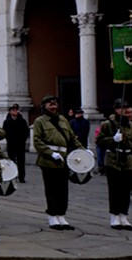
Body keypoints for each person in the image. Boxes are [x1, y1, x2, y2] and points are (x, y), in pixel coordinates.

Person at [33, 94, 82, 231]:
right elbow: (37, 141)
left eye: (55, 103)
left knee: (62, 189)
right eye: (50, 103)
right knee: (52, 189)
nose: (53, 105)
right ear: (45, 106)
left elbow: (72, 138)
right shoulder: (40, 121)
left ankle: (61, 215)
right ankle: (53, 216)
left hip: (64, 159)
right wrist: (50, 153)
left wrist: (84, 151)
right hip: (48, 160)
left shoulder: (63, 120)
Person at [96, 99, 132, 230]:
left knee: (126, 190)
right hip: (114, 159)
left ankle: (124, 216)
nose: (124, 110)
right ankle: (114, 216)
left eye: (126, 107)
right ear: (116, 109)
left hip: (128, 160)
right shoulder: (108, 124)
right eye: (121, 108)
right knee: (115, 189)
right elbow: (100, 141)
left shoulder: (131, 126)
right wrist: (112, 139)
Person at [2, 104, 29, 183]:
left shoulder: (22, 121)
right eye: (13, 110)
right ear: (10, 112)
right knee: (11, 161)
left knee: (21, 161)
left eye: (16, 110)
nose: (15, 111)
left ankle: (22, 177)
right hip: (11, 144)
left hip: (20, 144)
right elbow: (4, 132)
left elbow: (26, 131)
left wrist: (23, 139)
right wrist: (8, 139)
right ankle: (12, 176)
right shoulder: (7, 122)